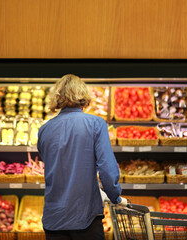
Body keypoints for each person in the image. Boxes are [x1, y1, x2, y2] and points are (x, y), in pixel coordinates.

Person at [37, 74, 127, 240]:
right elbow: (107, 169)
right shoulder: (96, 124)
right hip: (85, 218)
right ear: (83, 96)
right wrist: (115, 196)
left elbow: (49, 162)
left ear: (57, 97)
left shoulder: (44, 130)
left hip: (53, 218)